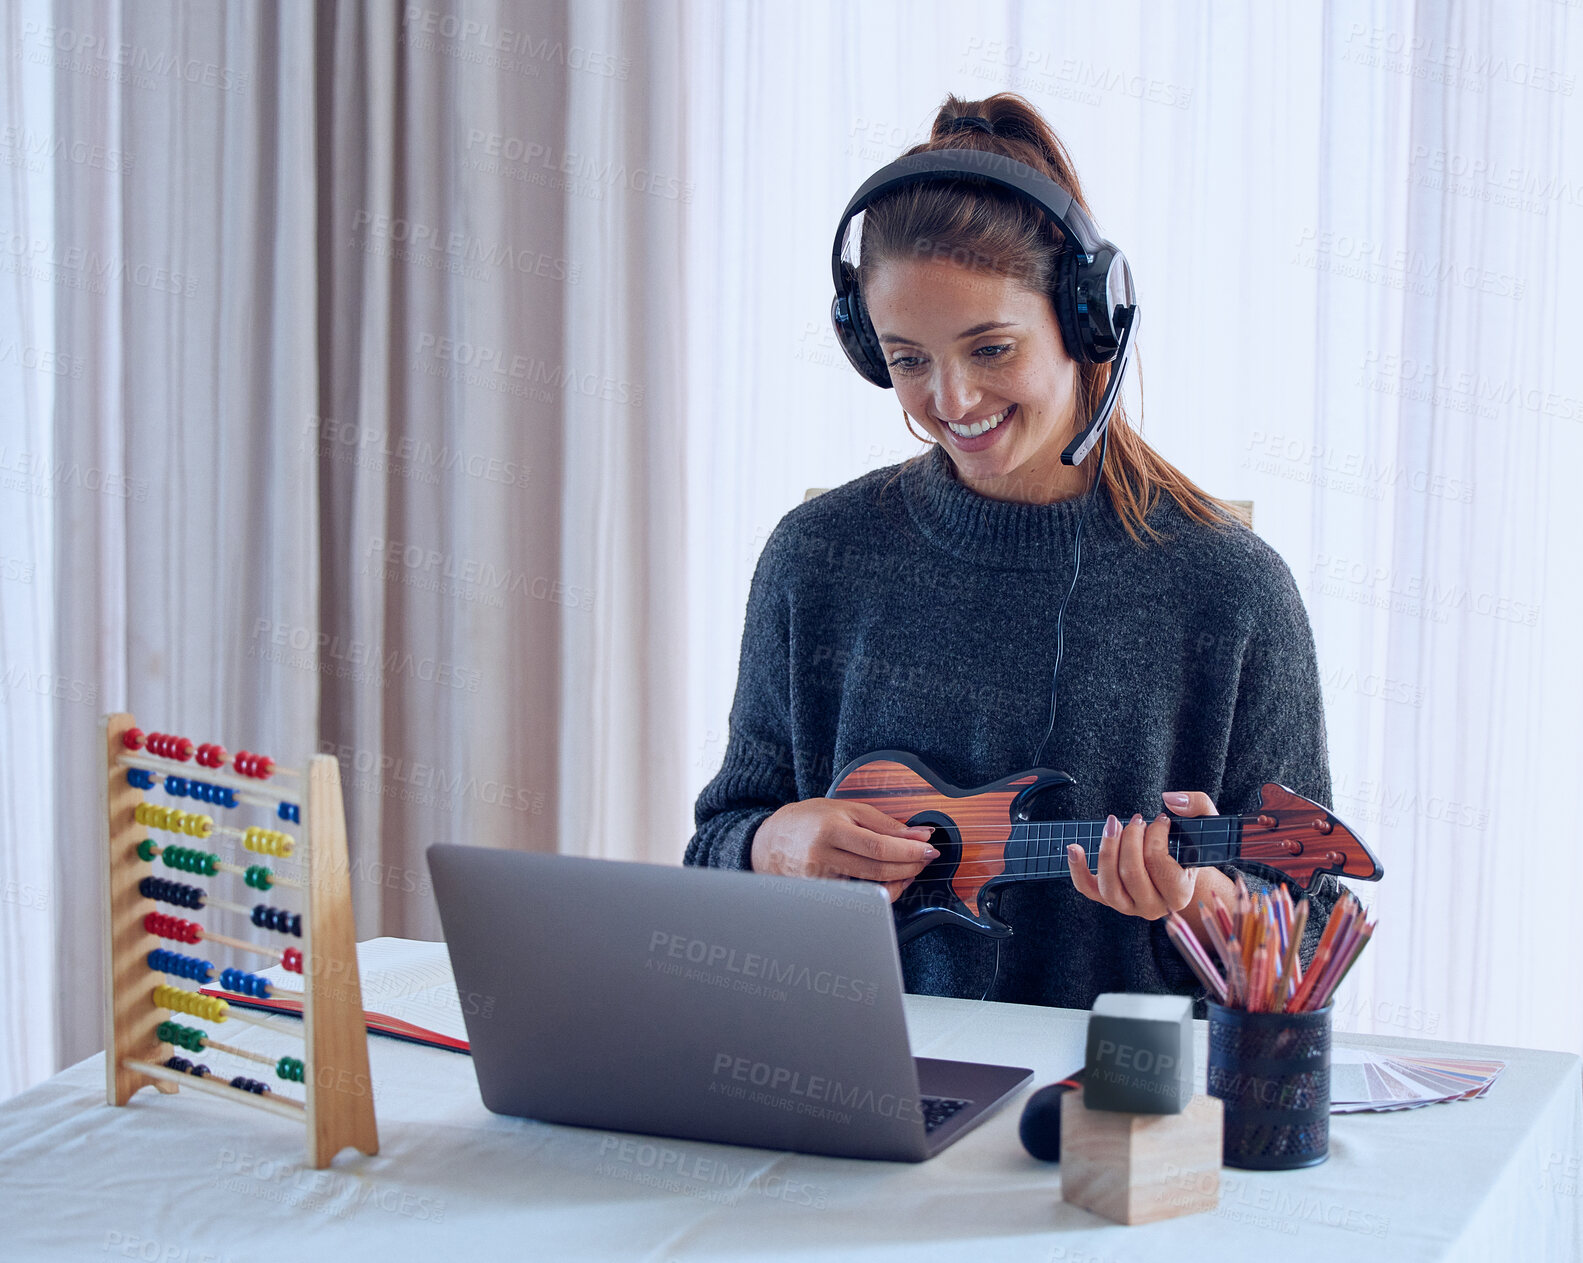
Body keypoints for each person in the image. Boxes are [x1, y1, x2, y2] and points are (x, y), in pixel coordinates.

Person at [684, 92, 1340, 1014]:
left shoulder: (1229, 588)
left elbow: (1308, 927)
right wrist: (769, 847)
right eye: (906, 358)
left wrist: (1201, 900)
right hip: (851, 1093)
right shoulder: (816, 558)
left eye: (991, 348)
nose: (950, 398)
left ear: (1086, 326)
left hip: (1116, 1121)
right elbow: (721, 839)